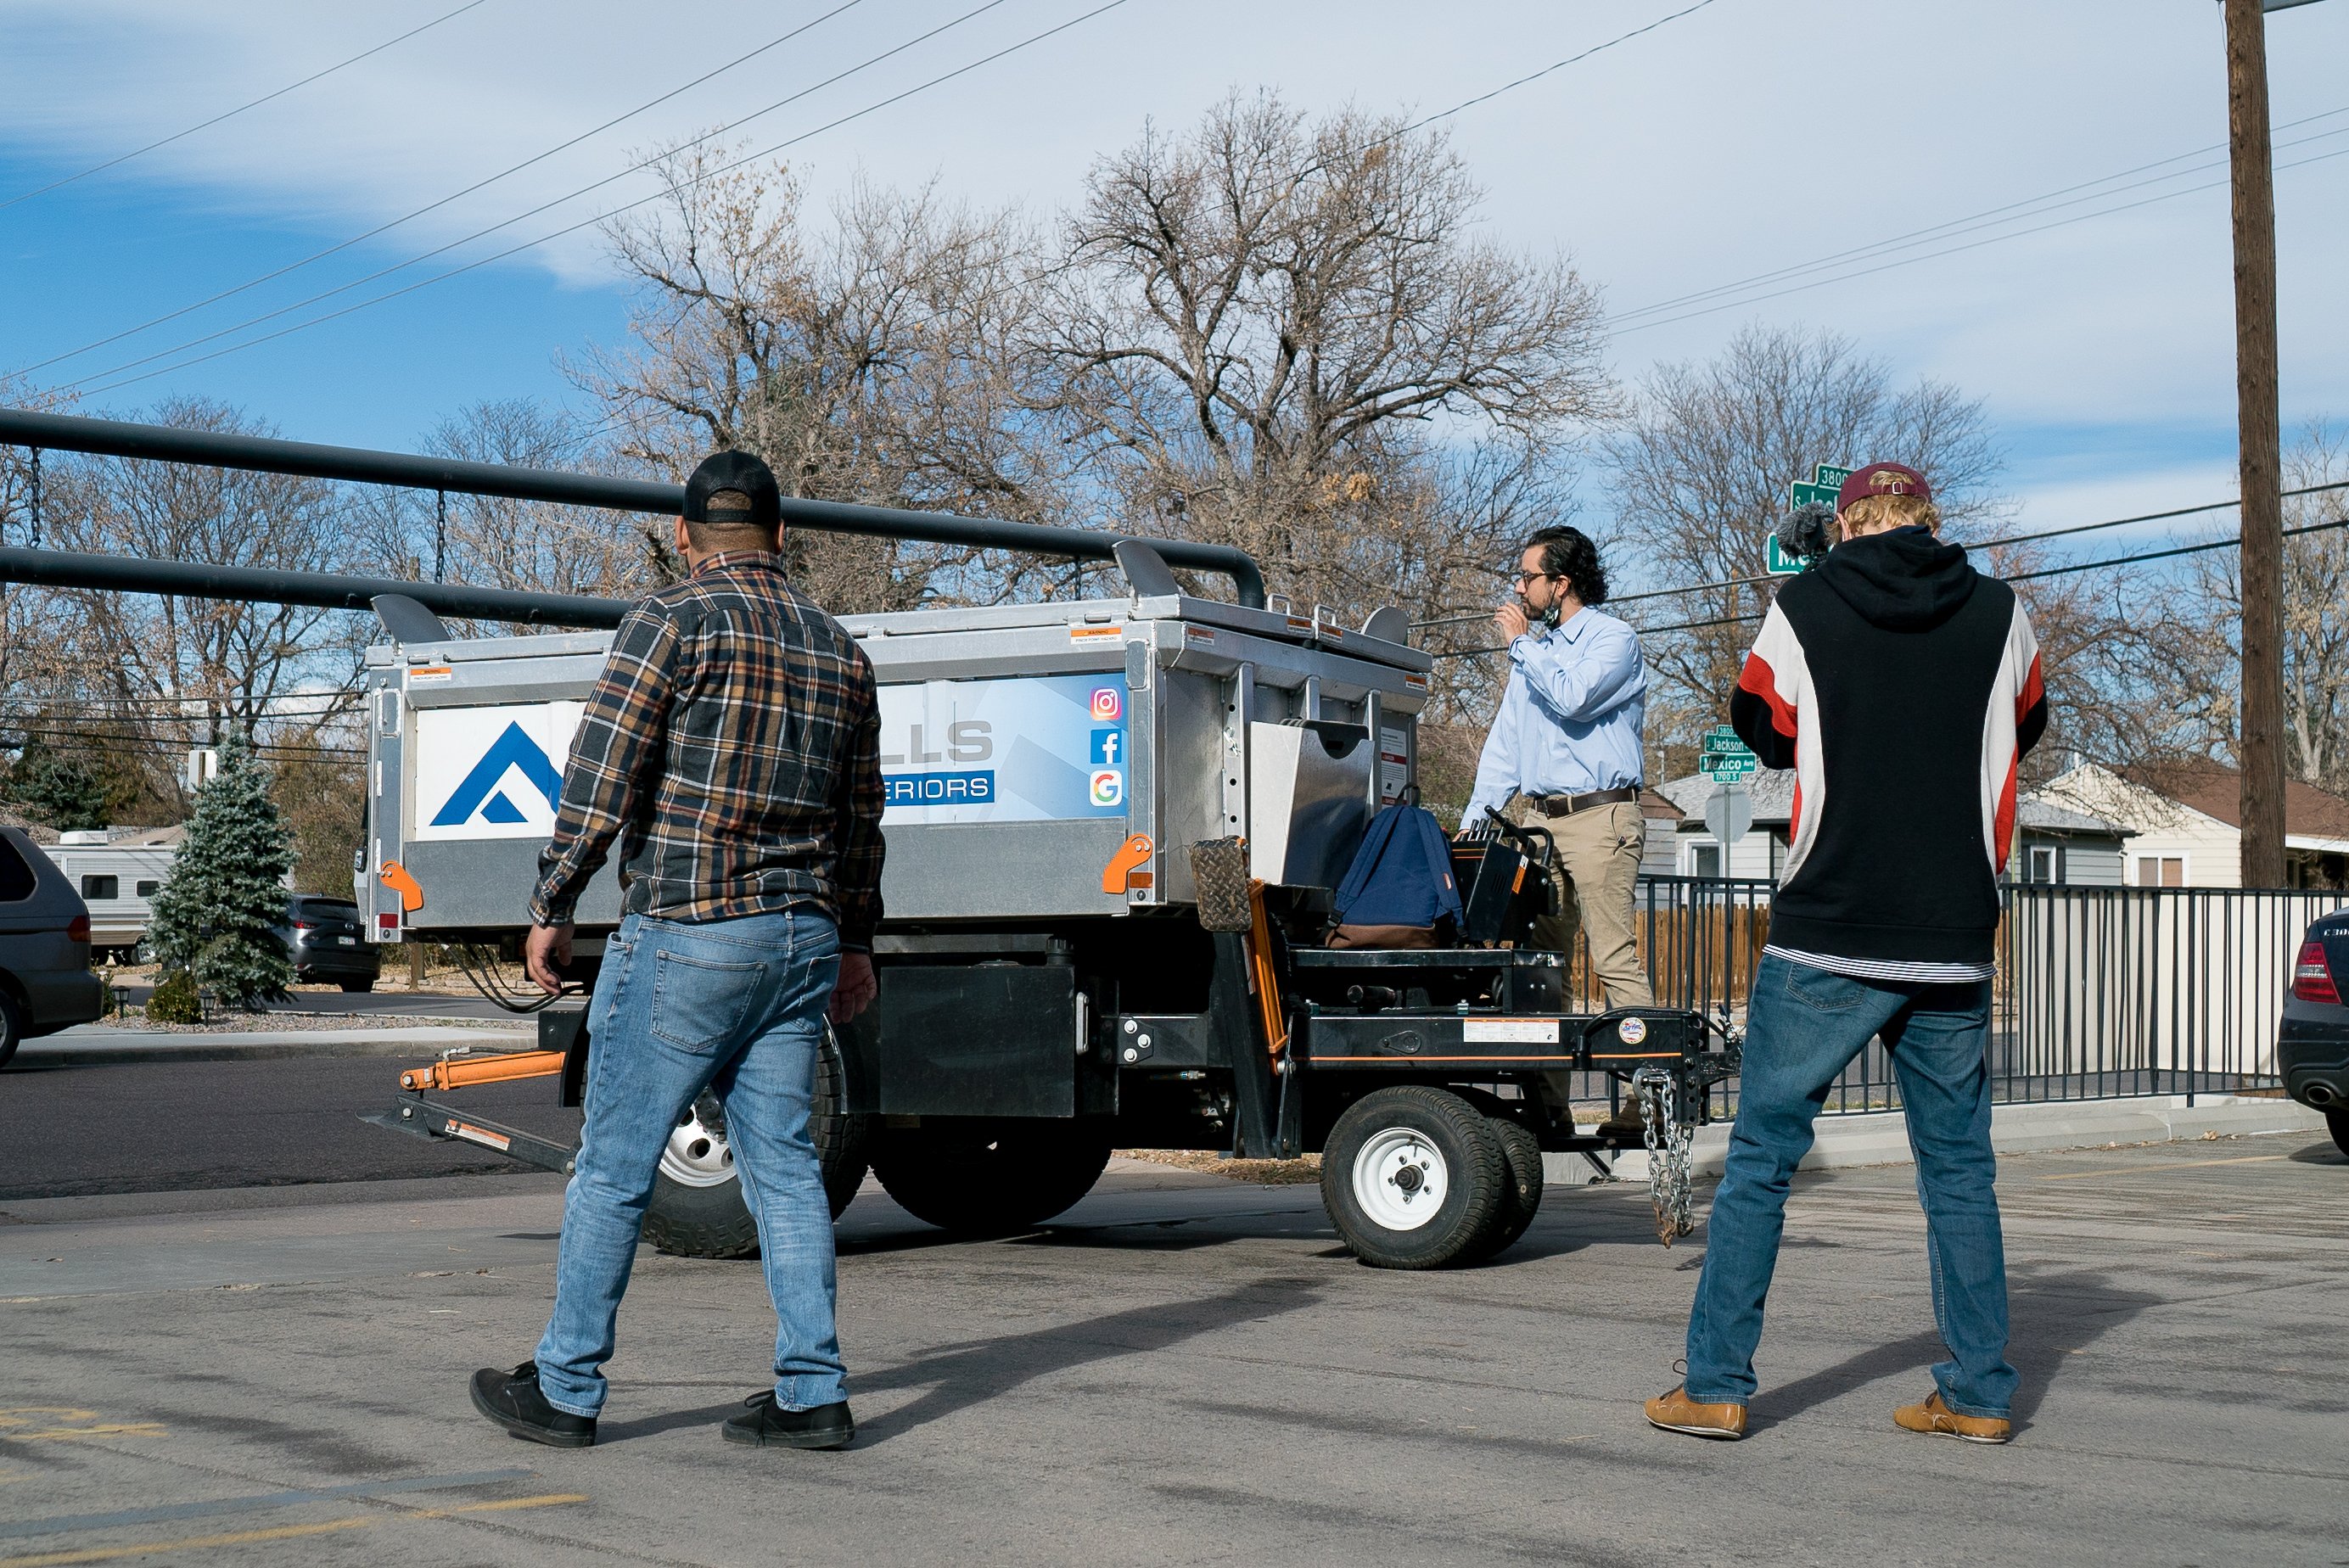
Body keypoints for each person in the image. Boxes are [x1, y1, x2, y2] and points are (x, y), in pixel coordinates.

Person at [469, 450, 884, 1454]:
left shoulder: (669, 621)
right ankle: (811, 1392)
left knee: (612, 1167)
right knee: (784, 1171)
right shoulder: (840, 650)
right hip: (799, 937)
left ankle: (566, 1387)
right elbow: (860, 816)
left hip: (690, 931)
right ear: (782, 535)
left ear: (685, 534)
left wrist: (554, 899)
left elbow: (601, 771)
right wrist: (857, 942)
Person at [1645, 462, 2046, 1445]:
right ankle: (1979, 1395)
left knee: (1759, 1164)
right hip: (1951, 933)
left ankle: (1714, 1385)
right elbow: (2022, 727)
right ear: (1927, 519)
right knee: (1957, 1173)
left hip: (1828, 929)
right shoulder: (2003, 615)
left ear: (1850, 521)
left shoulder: (1805, 605)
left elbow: (1758, 725)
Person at [1461, 525, 1654, 1016]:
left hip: (1600, 819)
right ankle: (1550, 1098)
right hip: (1539, 824)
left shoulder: (1614, 639)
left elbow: (1574, 698)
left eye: (1528, 577)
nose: (1519, 588)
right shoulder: (1535, 655)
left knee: (1613, 959)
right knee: (1539, 966)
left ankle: (1649, 1089)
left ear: (1561, 584)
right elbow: (1505, 746)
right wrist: (1472, 824)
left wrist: (1520, 646)